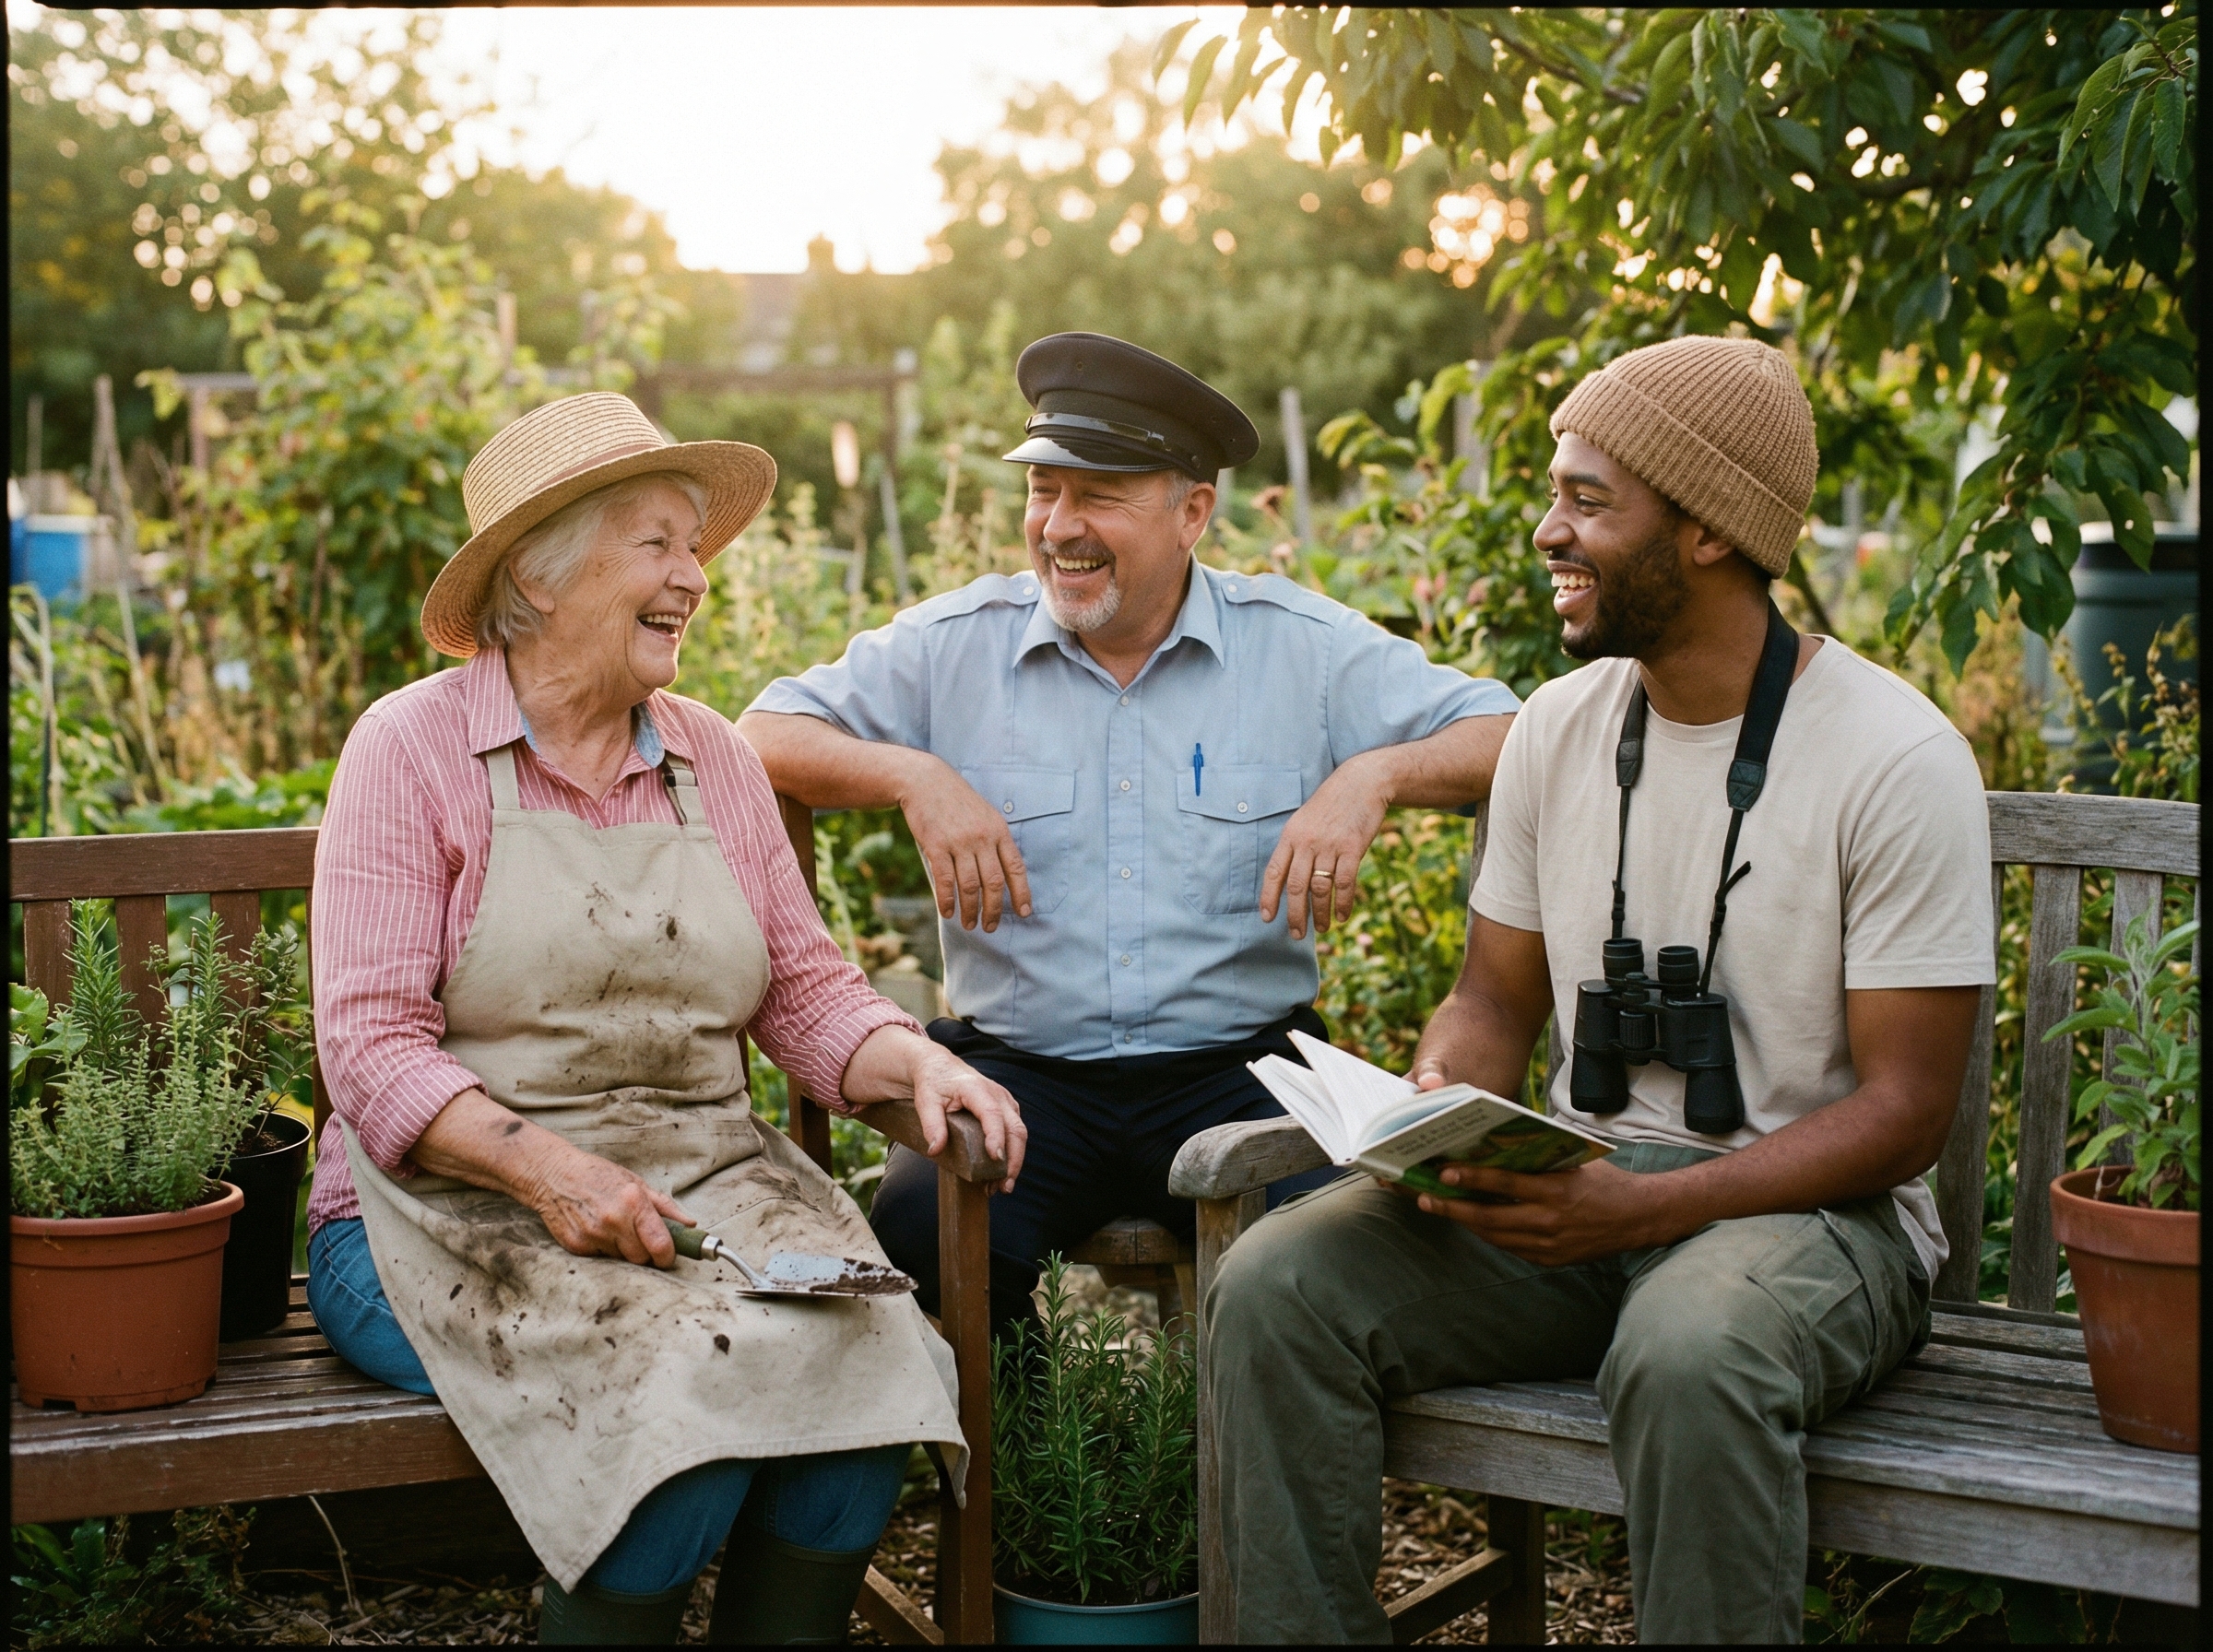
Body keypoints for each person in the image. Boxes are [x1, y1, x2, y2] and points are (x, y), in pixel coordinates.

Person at [1204, 336, 1996, 1643]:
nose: (1546, 527)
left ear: (1704, 531)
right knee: (1277, 1287)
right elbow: (1493, 1002)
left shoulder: (1893, 757)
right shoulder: (1561, 731)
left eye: (1588, 499)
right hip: (1592, 1190)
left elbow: (1907, 1114)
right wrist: (1437, 1098)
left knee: (1689, 1356)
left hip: (1818, 1223)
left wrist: (1636, 1212)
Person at [304, 392, 1027, 1646]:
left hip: (705, 1193)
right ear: (537, 574)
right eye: (656, 543)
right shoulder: (410, 751)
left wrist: (915, 1061)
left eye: (694, 547)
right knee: (681, 1426)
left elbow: (804, 993)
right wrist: (547, 1171)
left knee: (858, 1409)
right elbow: (367, 1053)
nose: (694, 577)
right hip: (444, 1220)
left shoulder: (710, 756)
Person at [740, 334, 1519, 1336]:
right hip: (1020, 1072)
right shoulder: (952, 648)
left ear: (1193, 511)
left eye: (1097, 493)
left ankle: (1237, 1491)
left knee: (1341, 1255)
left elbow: (1515, 731)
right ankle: (1022, 1486)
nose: (1059, 526)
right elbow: (759, 734)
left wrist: (1375, 773)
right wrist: (912, 773)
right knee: (921, 1239)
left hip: (1242, 1071)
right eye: (1042, 492)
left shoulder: (1304, 649)